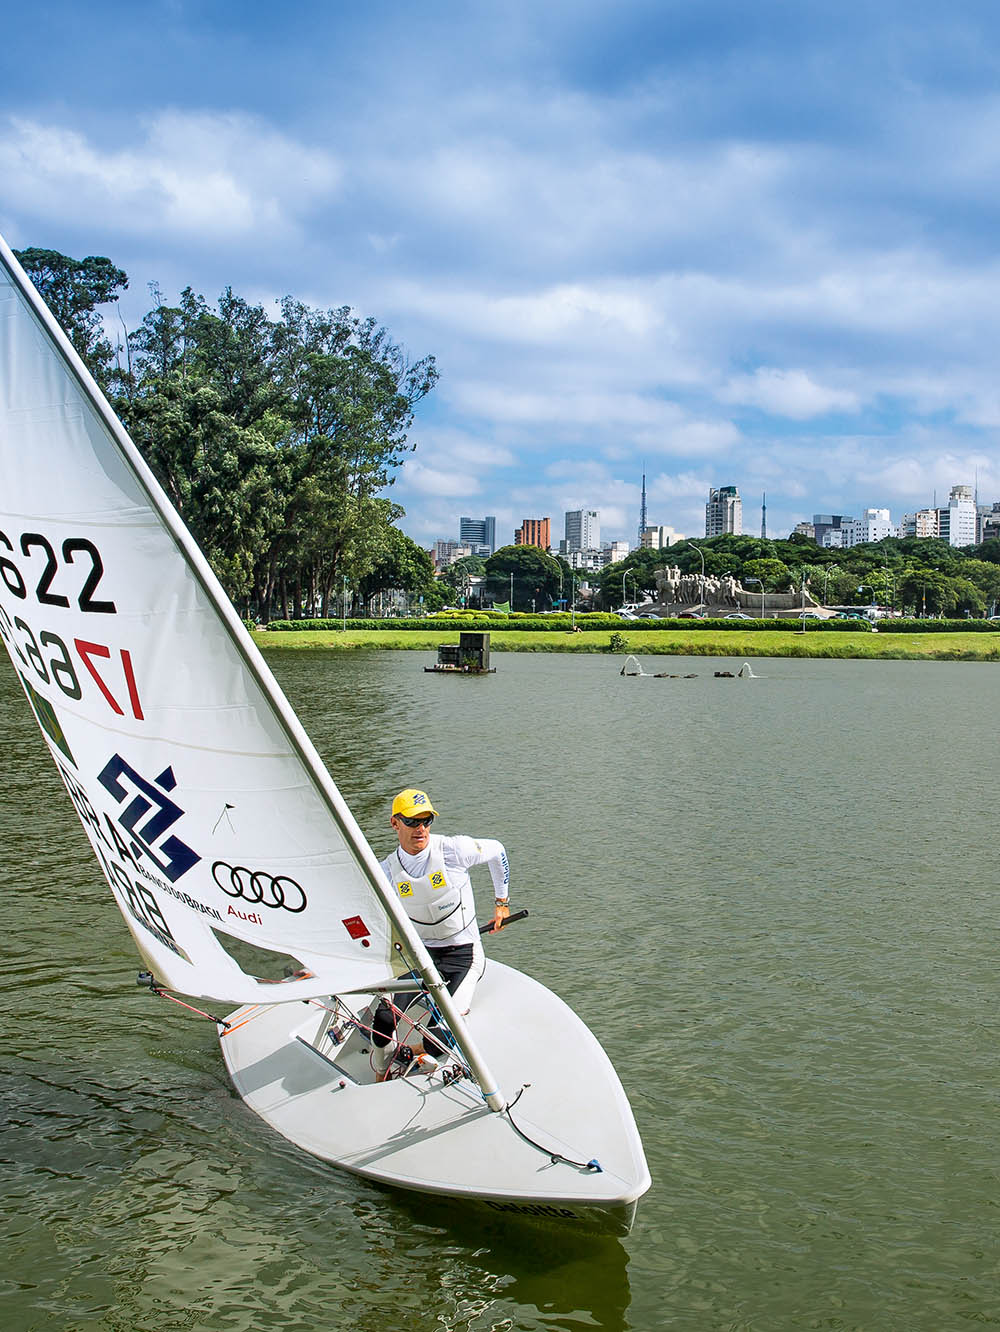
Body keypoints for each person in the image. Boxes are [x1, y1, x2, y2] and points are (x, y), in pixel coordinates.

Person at [371, 788, 511, 1080]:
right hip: (422, 956)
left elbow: (498, 850)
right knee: (383, 1019)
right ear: (394, 823)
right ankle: (381, 1072)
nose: (420, 828)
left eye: (426, 820)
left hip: (464, 955)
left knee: (445, 1038)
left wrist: (502, 904)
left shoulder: (453, 850)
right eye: (411, 821)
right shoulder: (385, 870)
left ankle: (411, 1051)